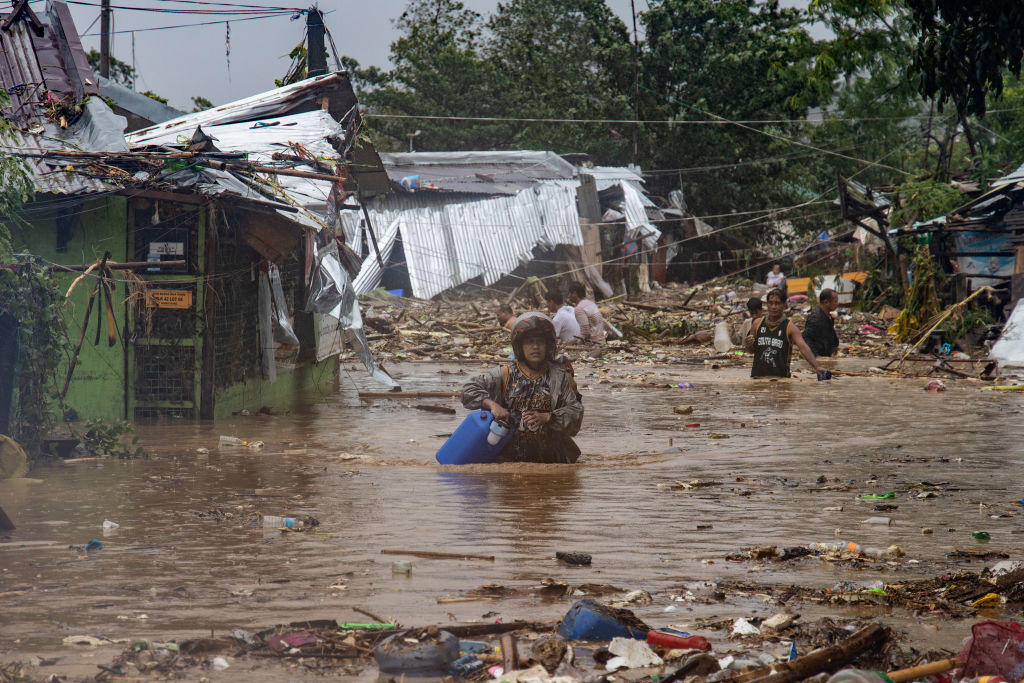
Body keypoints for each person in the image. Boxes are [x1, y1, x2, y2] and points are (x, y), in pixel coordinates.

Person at [461, 312, 583, 463]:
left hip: (550, 456)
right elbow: (468, 390)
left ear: (548, 345)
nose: (535, 347)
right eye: (529, 342)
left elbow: (575, 413)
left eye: (540, 342)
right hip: (508, 454)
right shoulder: (504, 373)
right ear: (519, 346)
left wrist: (548, 417)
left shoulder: (560, 377)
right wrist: (492, 405)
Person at [744, 288, 830, 379]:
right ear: (767, 304)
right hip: (757, 378)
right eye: (771, 303)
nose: (773, 307)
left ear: (784, 305)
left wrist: (817, 367)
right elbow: (751, 350)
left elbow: (803, 348)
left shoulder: (790, 327)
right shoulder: (757, 324)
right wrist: (748, 345)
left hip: (780, 380)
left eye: (777, 303)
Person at [803, 288, 840, 357]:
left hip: (825, 354)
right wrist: (816, 357)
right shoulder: (815, 318)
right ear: (826, 302)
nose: (837, 304)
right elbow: (806, 339)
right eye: (835, 301)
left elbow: (830, 331)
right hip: (818, 357)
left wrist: (835, 345)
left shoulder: (827, 316)